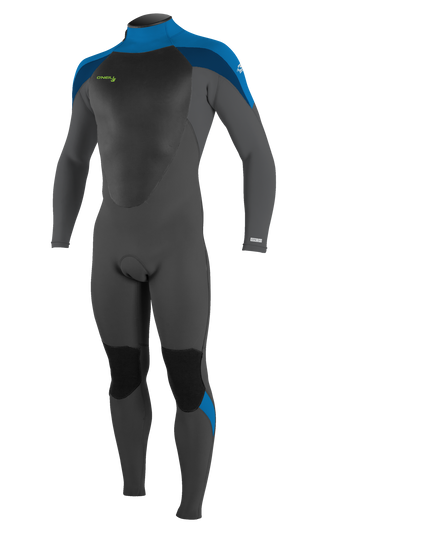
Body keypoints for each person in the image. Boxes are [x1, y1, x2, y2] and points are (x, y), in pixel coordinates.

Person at [49, 10, 278, 522]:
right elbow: (72, 157)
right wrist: (60, 235)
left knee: (187, 380)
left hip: (179, 251)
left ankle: (191, 510)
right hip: (108, 248)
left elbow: (257, 151)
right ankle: (132, 494)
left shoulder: (210, 53)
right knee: (122, 374)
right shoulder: (90, 66)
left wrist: (255, 238)